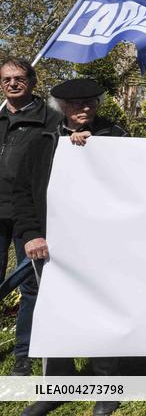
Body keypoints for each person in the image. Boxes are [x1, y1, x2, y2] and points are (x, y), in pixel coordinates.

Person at [14, 77, 128, 416]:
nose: (84, 109)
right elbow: (22, 193)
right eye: (76, 104)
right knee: (55, 313)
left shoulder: (117, 137)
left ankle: (107, 387)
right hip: (53, 246)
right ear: (63, 108)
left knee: (102, 312)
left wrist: (94, 148)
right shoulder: (43, 142)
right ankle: (55, 388)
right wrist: (31, 234)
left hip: (103, 245)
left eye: (90, 102)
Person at [0, 58, 59, 377]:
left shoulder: (51, 119)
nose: (12, 83)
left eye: (19, 78)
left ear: (33, 81)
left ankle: (23, 355)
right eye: (6, 79)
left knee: (31, 286)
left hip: (28, 215)